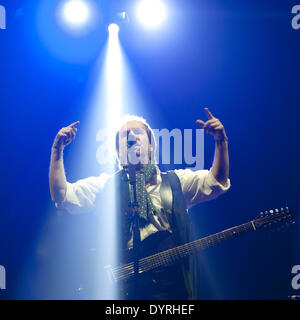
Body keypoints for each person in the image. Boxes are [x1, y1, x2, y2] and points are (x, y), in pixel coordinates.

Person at [49, 108, 230, 299]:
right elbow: (62, 195)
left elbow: (215, 183)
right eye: (125, 135)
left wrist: (221, 142)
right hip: (126, 288)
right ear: (118, 152)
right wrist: (57, 151)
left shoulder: (176, 181)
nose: (131, 136)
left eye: (138, 132)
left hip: (173, 288)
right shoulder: (106, 187)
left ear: (150, 146)